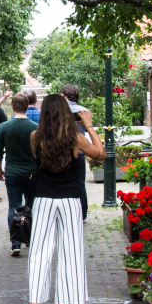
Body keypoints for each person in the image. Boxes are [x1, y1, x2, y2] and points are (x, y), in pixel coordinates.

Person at [23, 94, 105, 304]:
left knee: (39, 250)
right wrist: (88, 125)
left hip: (43, 199)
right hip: (70, 200)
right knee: (70, 250)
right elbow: (101, 154)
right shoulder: (76, 138)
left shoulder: (35, 137)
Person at [0, 93, 37, 256]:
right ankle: (30, 239)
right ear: (27, 106)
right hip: (32, 172)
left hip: (12, 172)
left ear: (12, 106)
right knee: (30, 206)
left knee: (14, 206)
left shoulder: (4, 127)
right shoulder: (35, 127)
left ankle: (15, 243)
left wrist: (0, 170)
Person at [59, 84, 90, 219]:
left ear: (65, 96)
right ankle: (82, 213)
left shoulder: (58, 110)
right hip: (80, 151)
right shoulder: (84, 111)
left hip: (62, 152)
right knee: (80, 183)